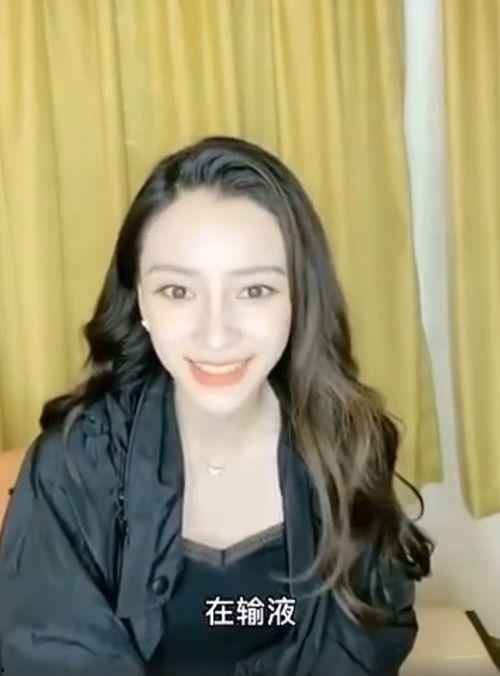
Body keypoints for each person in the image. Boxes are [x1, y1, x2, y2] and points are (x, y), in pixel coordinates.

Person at [0, 136, 434, 676]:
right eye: (177, 291)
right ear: (140, 301)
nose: (216, 335)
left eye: (253, 291)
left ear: (298, 298)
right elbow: (49, 653)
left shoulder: (347, 442)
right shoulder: (75, 464)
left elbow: (369, 639)